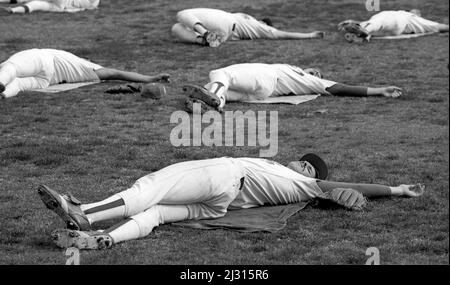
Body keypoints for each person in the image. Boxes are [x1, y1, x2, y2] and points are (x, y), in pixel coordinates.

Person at [37, 154, 424, 250]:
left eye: (306, 163)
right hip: (219, 206)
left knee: (150, 187)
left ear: (306, 168)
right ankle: (102, 240)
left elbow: (346, 182)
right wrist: (394, 190)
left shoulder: (297, 178)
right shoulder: (304, 189)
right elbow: (343, 184)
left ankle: (84, 214)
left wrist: (394, 189)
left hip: (224, 176)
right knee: (154, 214)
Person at [182, 63, 402, 112]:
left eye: (318, 73)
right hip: (259, 94)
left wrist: (378, 89)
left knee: (220, 74)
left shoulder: (300, 74)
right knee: (216, 87)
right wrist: (380, 91)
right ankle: (207, 103)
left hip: (268, 77)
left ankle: (215, 99)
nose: (316, 72)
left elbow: (339, 87)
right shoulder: (309, 83)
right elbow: (337, 88)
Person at [0, 48, 170, 99]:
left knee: (12, 67)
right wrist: (150, 78)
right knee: (19, 84)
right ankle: (4, 94)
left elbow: (115, 73)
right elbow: (115, 74)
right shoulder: (90, 74)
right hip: (47, 81)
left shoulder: (92, 69)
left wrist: (150, 78)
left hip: (45, 60)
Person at [171, 8, 324, 47]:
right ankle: (202, 40)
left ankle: (204, 34)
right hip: (223, 33)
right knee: (177, 28)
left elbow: (282, 34)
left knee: (183, 13)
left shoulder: (260, 27)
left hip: (225, 22)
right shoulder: (254, 26)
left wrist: (309, 35)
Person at [338, 9, 449, 43]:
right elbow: (440, 27)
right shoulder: (411, 16)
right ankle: (360, 34)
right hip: (393, 21)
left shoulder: (409, 16)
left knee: (377, 23)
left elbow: (440, 27)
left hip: (388, 18)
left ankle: (360, 31)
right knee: (376, 24)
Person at [0, 0, 99, 14]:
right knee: (35, 4)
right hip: (60, 8)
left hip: (62, 5)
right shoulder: (94, 3)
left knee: (34, 3)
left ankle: (11, 9)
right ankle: (12, 10)